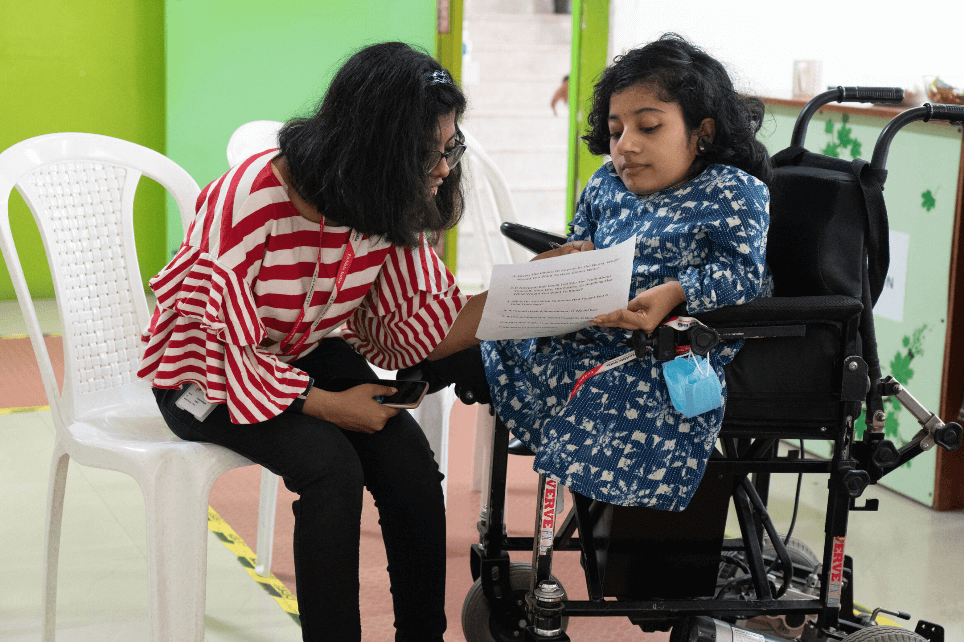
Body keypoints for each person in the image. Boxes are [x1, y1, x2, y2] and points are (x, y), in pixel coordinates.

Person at [138, 42, 486, 642]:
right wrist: (329, 405)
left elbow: (414, 328)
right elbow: (211, 351)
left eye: (450, 147)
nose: (443, 169)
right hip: (205, 374)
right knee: (330, 468)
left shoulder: (382, 200)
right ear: (376, 147)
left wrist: (533, 296)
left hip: (296, 352)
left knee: (407, 465)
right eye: (428, 154)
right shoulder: (248, 200)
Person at [480, 33, 774, 510]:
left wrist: (676, 292)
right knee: (494, 338)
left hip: (673, 345)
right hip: (595, 328)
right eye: (616, 131)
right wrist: (574, 256)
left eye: (649, 127)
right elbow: (581, 240)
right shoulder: (605, 183)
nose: (626, 147)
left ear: (702, 132)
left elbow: (743, 276)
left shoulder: (734, 191)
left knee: (611, 387)